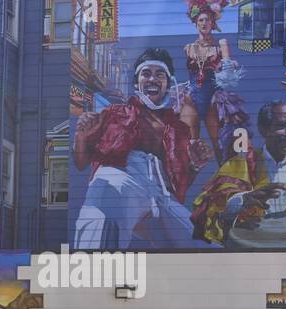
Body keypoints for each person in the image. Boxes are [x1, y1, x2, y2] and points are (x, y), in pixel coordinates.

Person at [72, 48, 211, 249]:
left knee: (202, 246)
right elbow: (80, 163)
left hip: (161, 194)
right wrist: (82, 136)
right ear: (137, 82)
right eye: (146, 73)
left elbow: (179, 183)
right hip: (123, 177)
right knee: (103, 202)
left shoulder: (179, 128)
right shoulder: (114, 113)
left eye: (159, 74)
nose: (152, 79)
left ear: (167, 83)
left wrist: (195, 166)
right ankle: (90, 272)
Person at [191, 88, 286, 245]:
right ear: (263, 129)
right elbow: (206, 207)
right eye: (282, 126)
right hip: (255, 254)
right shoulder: (239, 164)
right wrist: (241, 201)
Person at [178, 0, 235, 159]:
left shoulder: (221, 45)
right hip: (191, 99)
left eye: (208, 20)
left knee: (221, 146)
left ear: (213, 23)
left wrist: (229, 67)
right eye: (201, 20)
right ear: (195, 23)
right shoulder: (187, 48)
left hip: (213, 100)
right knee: (189, 146)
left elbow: (228, 70)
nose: (204, 23)